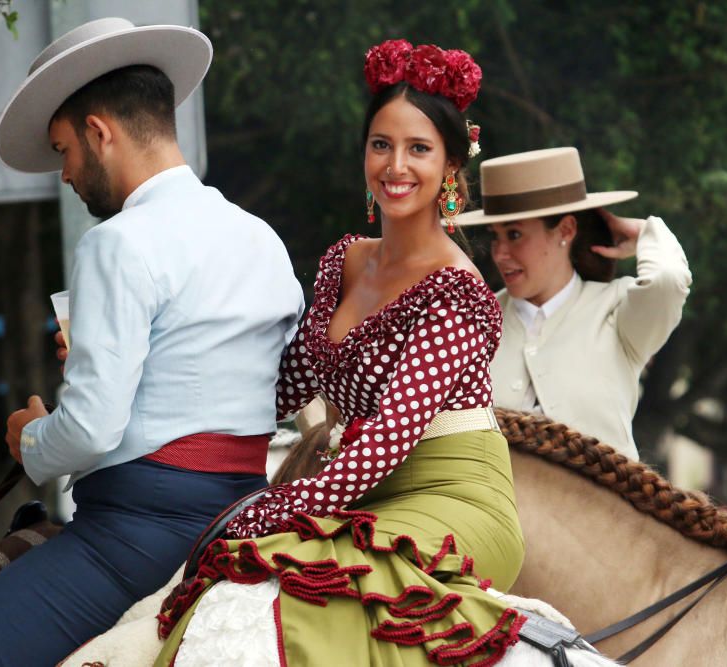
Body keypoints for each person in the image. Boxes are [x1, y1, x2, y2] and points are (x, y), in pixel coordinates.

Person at [0, 18, 303, 665]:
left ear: (100, 132)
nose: (64, 174)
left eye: (64, 150)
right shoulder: (262, 238)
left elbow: (91, 429)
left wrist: (34, 436)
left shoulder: (115, 242)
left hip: (133, 536)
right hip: (239, 517)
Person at [153, 40, 529, 666]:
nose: (395, 166)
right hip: (362, 497)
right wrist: (155, 374)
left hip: (455, 498)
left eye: (419, 148)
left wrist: (269, 509)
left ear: (452, 166)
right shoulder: (345, 260)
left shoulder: (458, 291)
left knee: (295, 580)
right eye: (381, 144)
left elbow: (385, 440)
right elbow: (281, 387)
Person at [452, 148, 692, 460]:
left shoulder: (617, 311)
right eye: (495, 237)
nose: (500, 254)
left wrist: (645, 232)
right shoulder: (475, 323)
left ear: (566, 230)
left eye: (514, 235)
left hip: (604, 508)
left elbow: (668, 279)